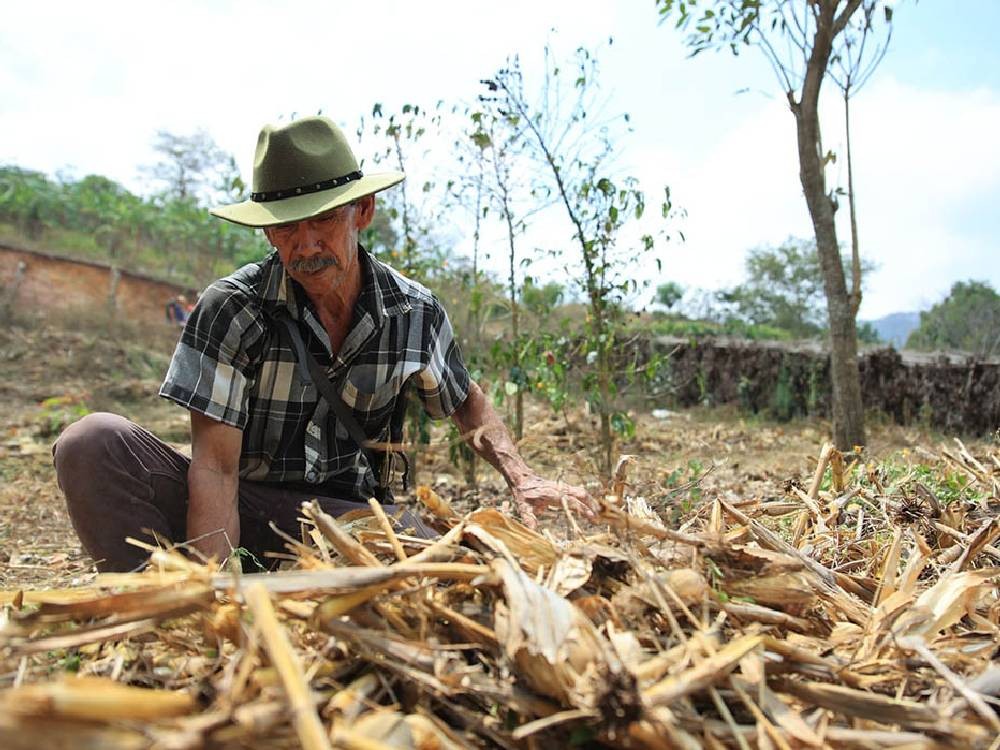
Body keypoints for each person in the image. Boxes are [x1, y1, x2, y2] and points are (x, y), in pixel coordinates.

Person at [53, 115, 594, 572]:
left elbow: (466, 401)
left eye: (324, 220)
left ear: (363, 213)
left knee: (459, 563)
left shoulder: (413, 313)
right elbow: (215, 470)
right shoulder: (232, 309)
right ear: (267, 231)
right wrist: (215, 601)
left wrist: (522, 476)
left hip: (352, 519)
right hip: (242, 504)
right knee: (92, 443)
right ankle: (153, 612)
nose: (306, 244)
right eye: (287, 227)